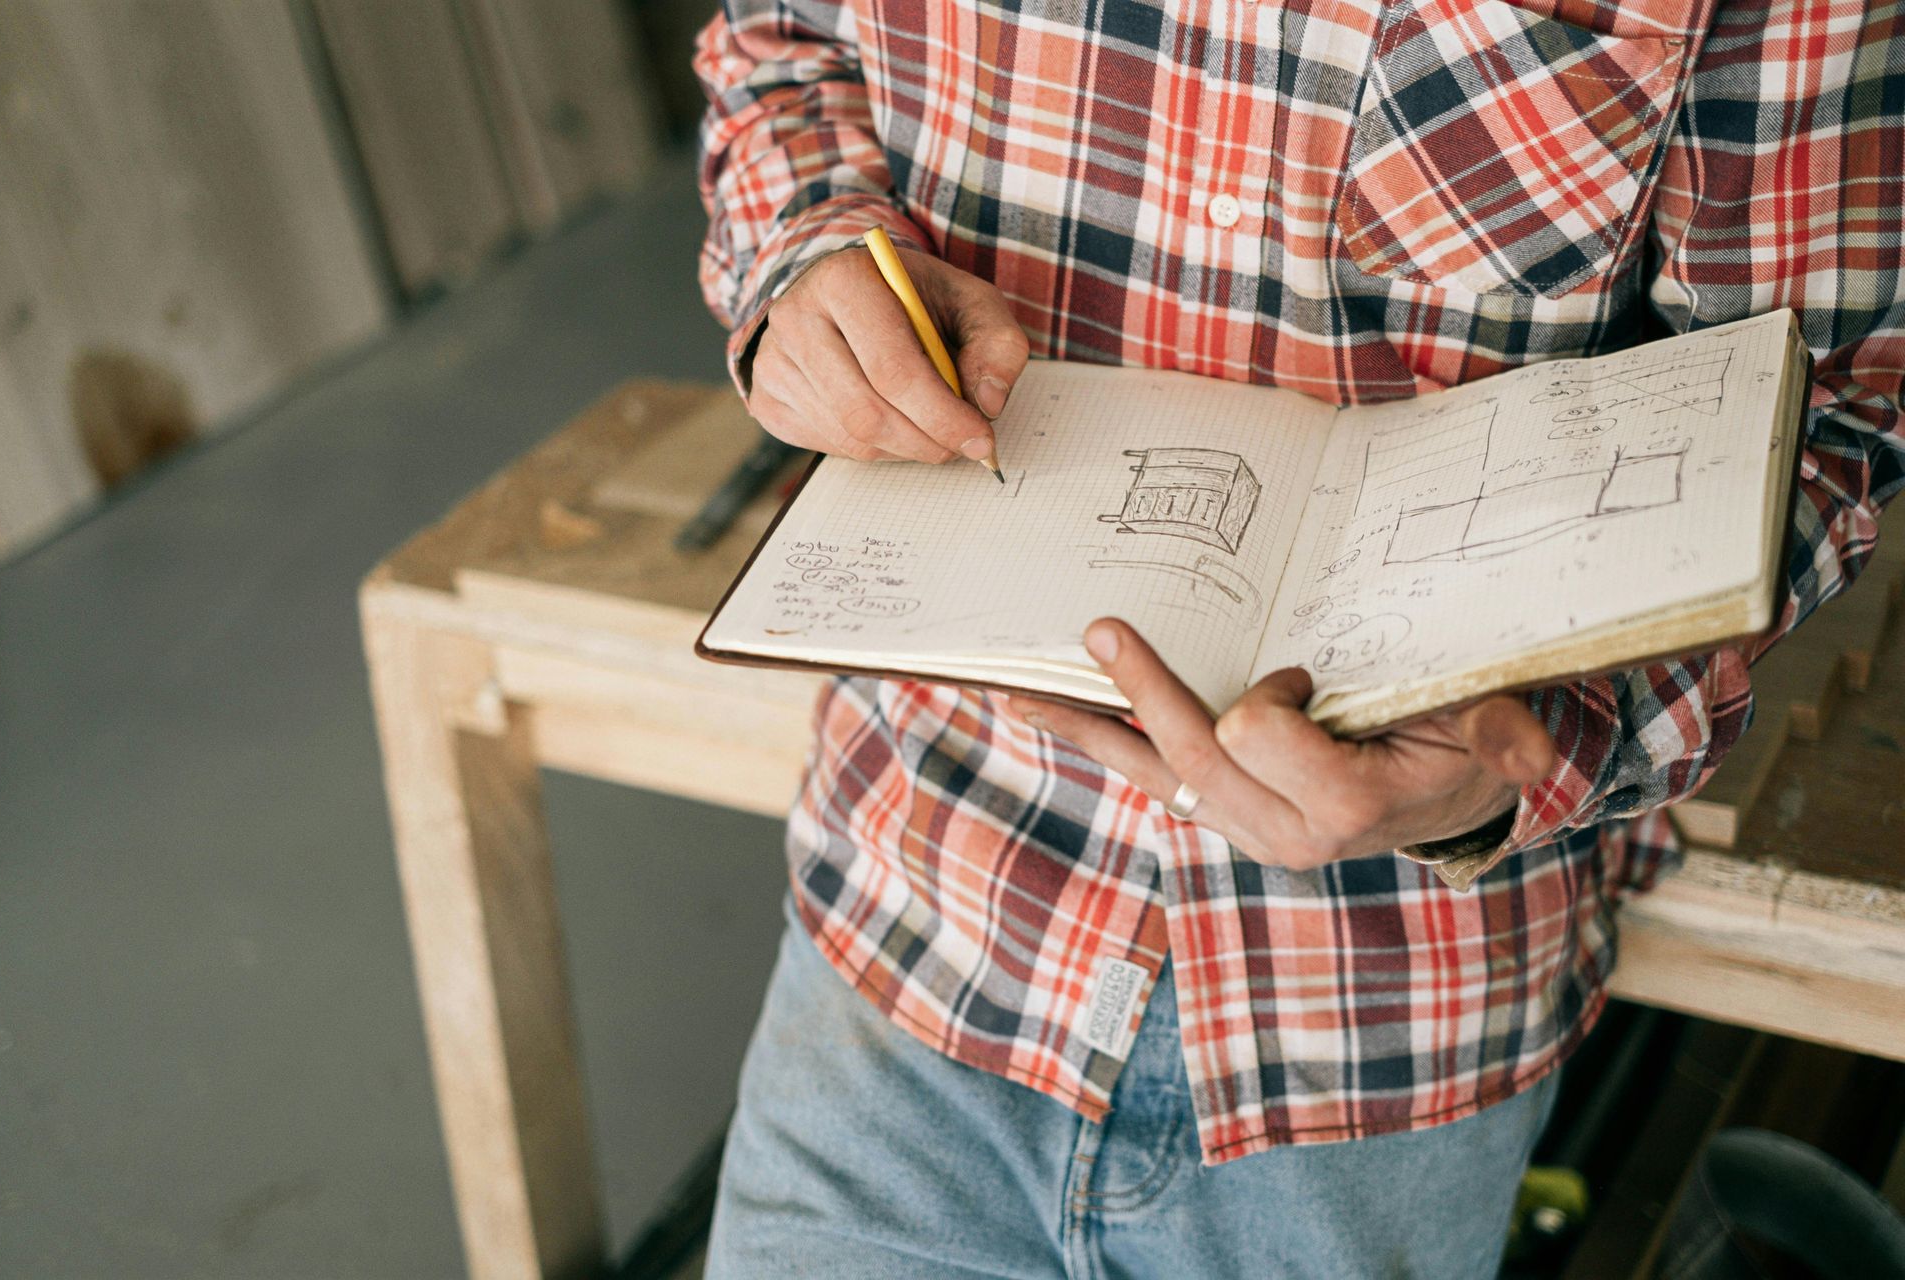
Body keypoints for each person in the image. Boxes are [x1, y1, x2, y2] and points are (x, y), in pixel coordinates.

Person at [692, 2, 1903, 1275]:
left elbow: (1821, 412)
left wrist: (1531, 753)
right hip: (913, 904)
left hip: (1381, 1028)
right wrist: (805, 256)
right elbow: (778, 45)